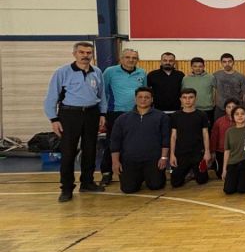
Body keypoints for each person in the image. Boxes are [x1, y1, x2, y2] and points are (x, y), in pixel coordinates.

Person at [44, 41, 107, 202]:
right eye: (82, 52)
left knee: (90, 150)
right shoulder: (62, 72)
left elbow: (102, 95)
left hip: (92, 113)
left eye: (88, 53)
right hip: (69, 114)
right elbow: (52, 96)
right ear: (74, 54)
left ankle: (87, 182)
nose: (85, 56)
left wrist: (103, 114)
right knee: (68, 152)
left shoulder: (97, 72)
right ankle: (66, 188)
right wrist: (54, 118)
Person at [109, 86, 169, 194]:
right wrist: (115, 162)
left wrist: (164, 157)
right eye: (140, 97)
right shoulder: (122, 119)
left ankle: (149, 176)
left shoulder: (161, 117)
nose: (143, 100)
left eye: (147, 97)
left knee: (156, 185)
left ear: (152, 99)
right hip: (130, 160)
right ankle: (139, 177)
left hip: (153, 160)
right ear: (135, 99)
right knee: (128, 189)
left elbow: (166, 138)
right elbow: (115, 141)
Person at [100, 48, 147, 185]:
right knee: (112, 143)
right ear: (121, 59)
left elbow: (144, 93)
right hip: (115, 113)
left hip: (136, 113)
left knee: (135, 143)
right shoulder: (110, 72)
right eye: (127, 57)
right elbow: (102, 93)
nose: (131, 60)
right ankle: (106, 172)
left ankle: (134, 171)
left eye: (134, 58)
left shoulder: (142, 73)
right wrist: (102, 113)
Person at [169, 88, 211, 188]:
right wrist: (172, 154)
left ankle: (194, 171)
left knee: (202, 180)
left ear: (195, 98)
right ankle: (188, 171)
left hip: (197, 153)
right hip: (181, 153)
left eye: (191, 97)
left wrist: (207, 152)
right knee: (175, 183)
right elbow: (173, 136)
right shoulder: (175, 116)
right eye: (184, 97)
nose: (187, 100)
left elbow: (205, 134)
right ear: (180, 99)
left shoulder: (202, 115)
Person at [221, 106, 245, 195]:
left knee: (242, 189)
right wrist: (224, 169)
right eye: (237, 114)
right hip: (232, 163)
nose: (240, 116)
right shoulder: (229, 131)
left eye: (242, 114)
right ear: (233, 116)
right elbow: (227, 151)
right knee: (228, 190)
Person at [212, 53, 245, 122]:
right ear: (221, 63)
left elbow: (244, 94)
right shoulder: (216, 75)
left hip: (236, 108)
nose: (227, 64)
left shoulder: (241, 77)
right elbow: (213, 91)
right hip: (220, 108)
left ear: (233, 62)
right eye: (224, 62)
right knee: (218, 126)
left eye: (229, 61)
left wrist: (243, 108)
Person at [182, 57, 216, 126]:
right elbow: (183, 93)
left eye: (200, 66)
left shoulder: (211, 78)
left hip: (207, 110)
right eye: (195, 66)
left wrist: (214, 103)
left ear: (204, 66)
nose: (197, 68)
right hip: (190, 109)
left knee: (207, 129)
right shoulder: (185, 79)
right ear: (191, 67)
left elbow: (216, 91)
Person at [210, 98, 239, 176]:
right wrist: (212, 151)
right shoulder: (219, 121)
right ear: (225, 109)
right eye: (228, 107)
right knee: (220, 174)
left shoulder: (242, 120)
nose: (231, 109)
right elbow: (214, 137)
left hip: (237, 152)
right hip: (221, 151)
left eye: (233, 107)